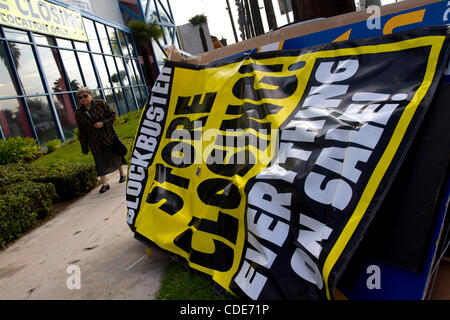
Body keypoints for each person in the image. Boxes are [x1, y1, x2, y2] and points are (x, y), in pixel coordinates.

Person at [75, 87, 126, 193]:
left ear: (91, 95)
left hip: (107, 136)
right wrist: (84, 147)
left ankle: (122, 174)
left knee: (114, 155)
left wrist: (103, 123)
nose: (83, 99)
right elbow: (82, 131)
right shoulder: (79, 113)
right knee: (99, 161)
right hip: (94, 141)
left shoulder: (101, 103)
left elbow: (113, 116)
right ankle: (105, 183)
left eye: (85, 96)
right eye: (80, 98)